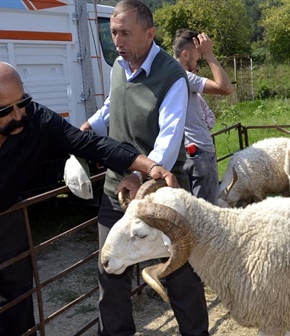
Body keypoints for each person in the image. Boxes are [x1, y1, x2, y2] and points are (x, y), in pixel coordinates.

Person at [0, 61, 177, 336]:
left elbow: (89, 143)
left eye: (23, 102)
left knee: (17, 300)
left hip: (7, 219)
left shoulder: (36, 118)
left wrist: (148, 166)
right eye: (5, 110)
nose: (18, 115)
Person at [78, 1, 210, 335]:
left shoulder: (172, 77)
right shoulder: (118, 67)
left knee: (180, 272)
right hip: (115, 188)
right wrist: (88, 128)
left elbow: (169, 139)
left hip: (160, 191)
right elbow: (112, 105)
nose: (117, 40)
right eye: (112, 32)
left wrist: (140, 174)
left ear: (149, 34)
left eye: (125, 33)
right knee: (110, 268)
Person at [172, 29, 234, 203]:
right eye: (197, 54)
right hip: (199, 152)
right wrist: (209, 54)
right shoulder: (184, 76)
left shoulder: (167, 74)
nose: (198, 58)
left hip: (183, 153)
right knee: (207, 213)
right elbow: (226, 88)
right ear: (185, 54)